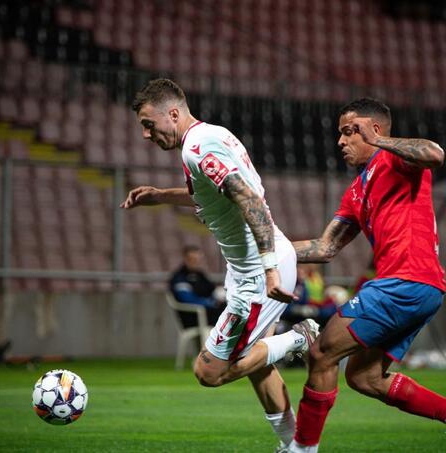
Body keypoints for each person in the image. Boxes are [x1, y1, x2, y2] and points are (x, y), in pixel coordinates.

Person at [120, 78, 319, 450]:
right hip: (252, 267)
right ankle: (297, 447)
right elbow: (212, 194)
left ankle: (299, 337)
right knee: (257, 365)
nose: (146, 134)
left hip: (257, 273)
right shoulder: (212, 136)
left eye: (149, 124)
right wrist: (160, 196)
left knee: (208, 372)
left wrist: (270, 269)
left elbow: (251, 201)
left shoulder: (198, 149)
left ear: (173, 114)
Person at [286, 98, 446, 453]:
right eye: (340, 134)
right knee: (364, 377)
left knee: (322, 353)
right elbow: (325, 248)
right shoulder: (355, 191)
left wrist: (379, 141)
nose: (340, 141)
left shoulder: (396, 159)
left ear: (374, 129)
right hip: (417, 288)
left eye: (349, 132)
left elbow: (434, 153)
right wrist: (266, 251)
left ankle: (301, 449)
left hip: (406, 282)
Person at [169, 245, 225, 325]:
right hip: (192, 316)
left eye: (198, 260)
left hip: (208, 312)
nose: (196, 262)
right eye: (192, 259)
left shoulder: (200, 275)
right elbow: (187, 299)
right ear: (185, 259)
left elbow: (212, 290)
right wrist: (211, 302)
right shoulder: (179, 277)